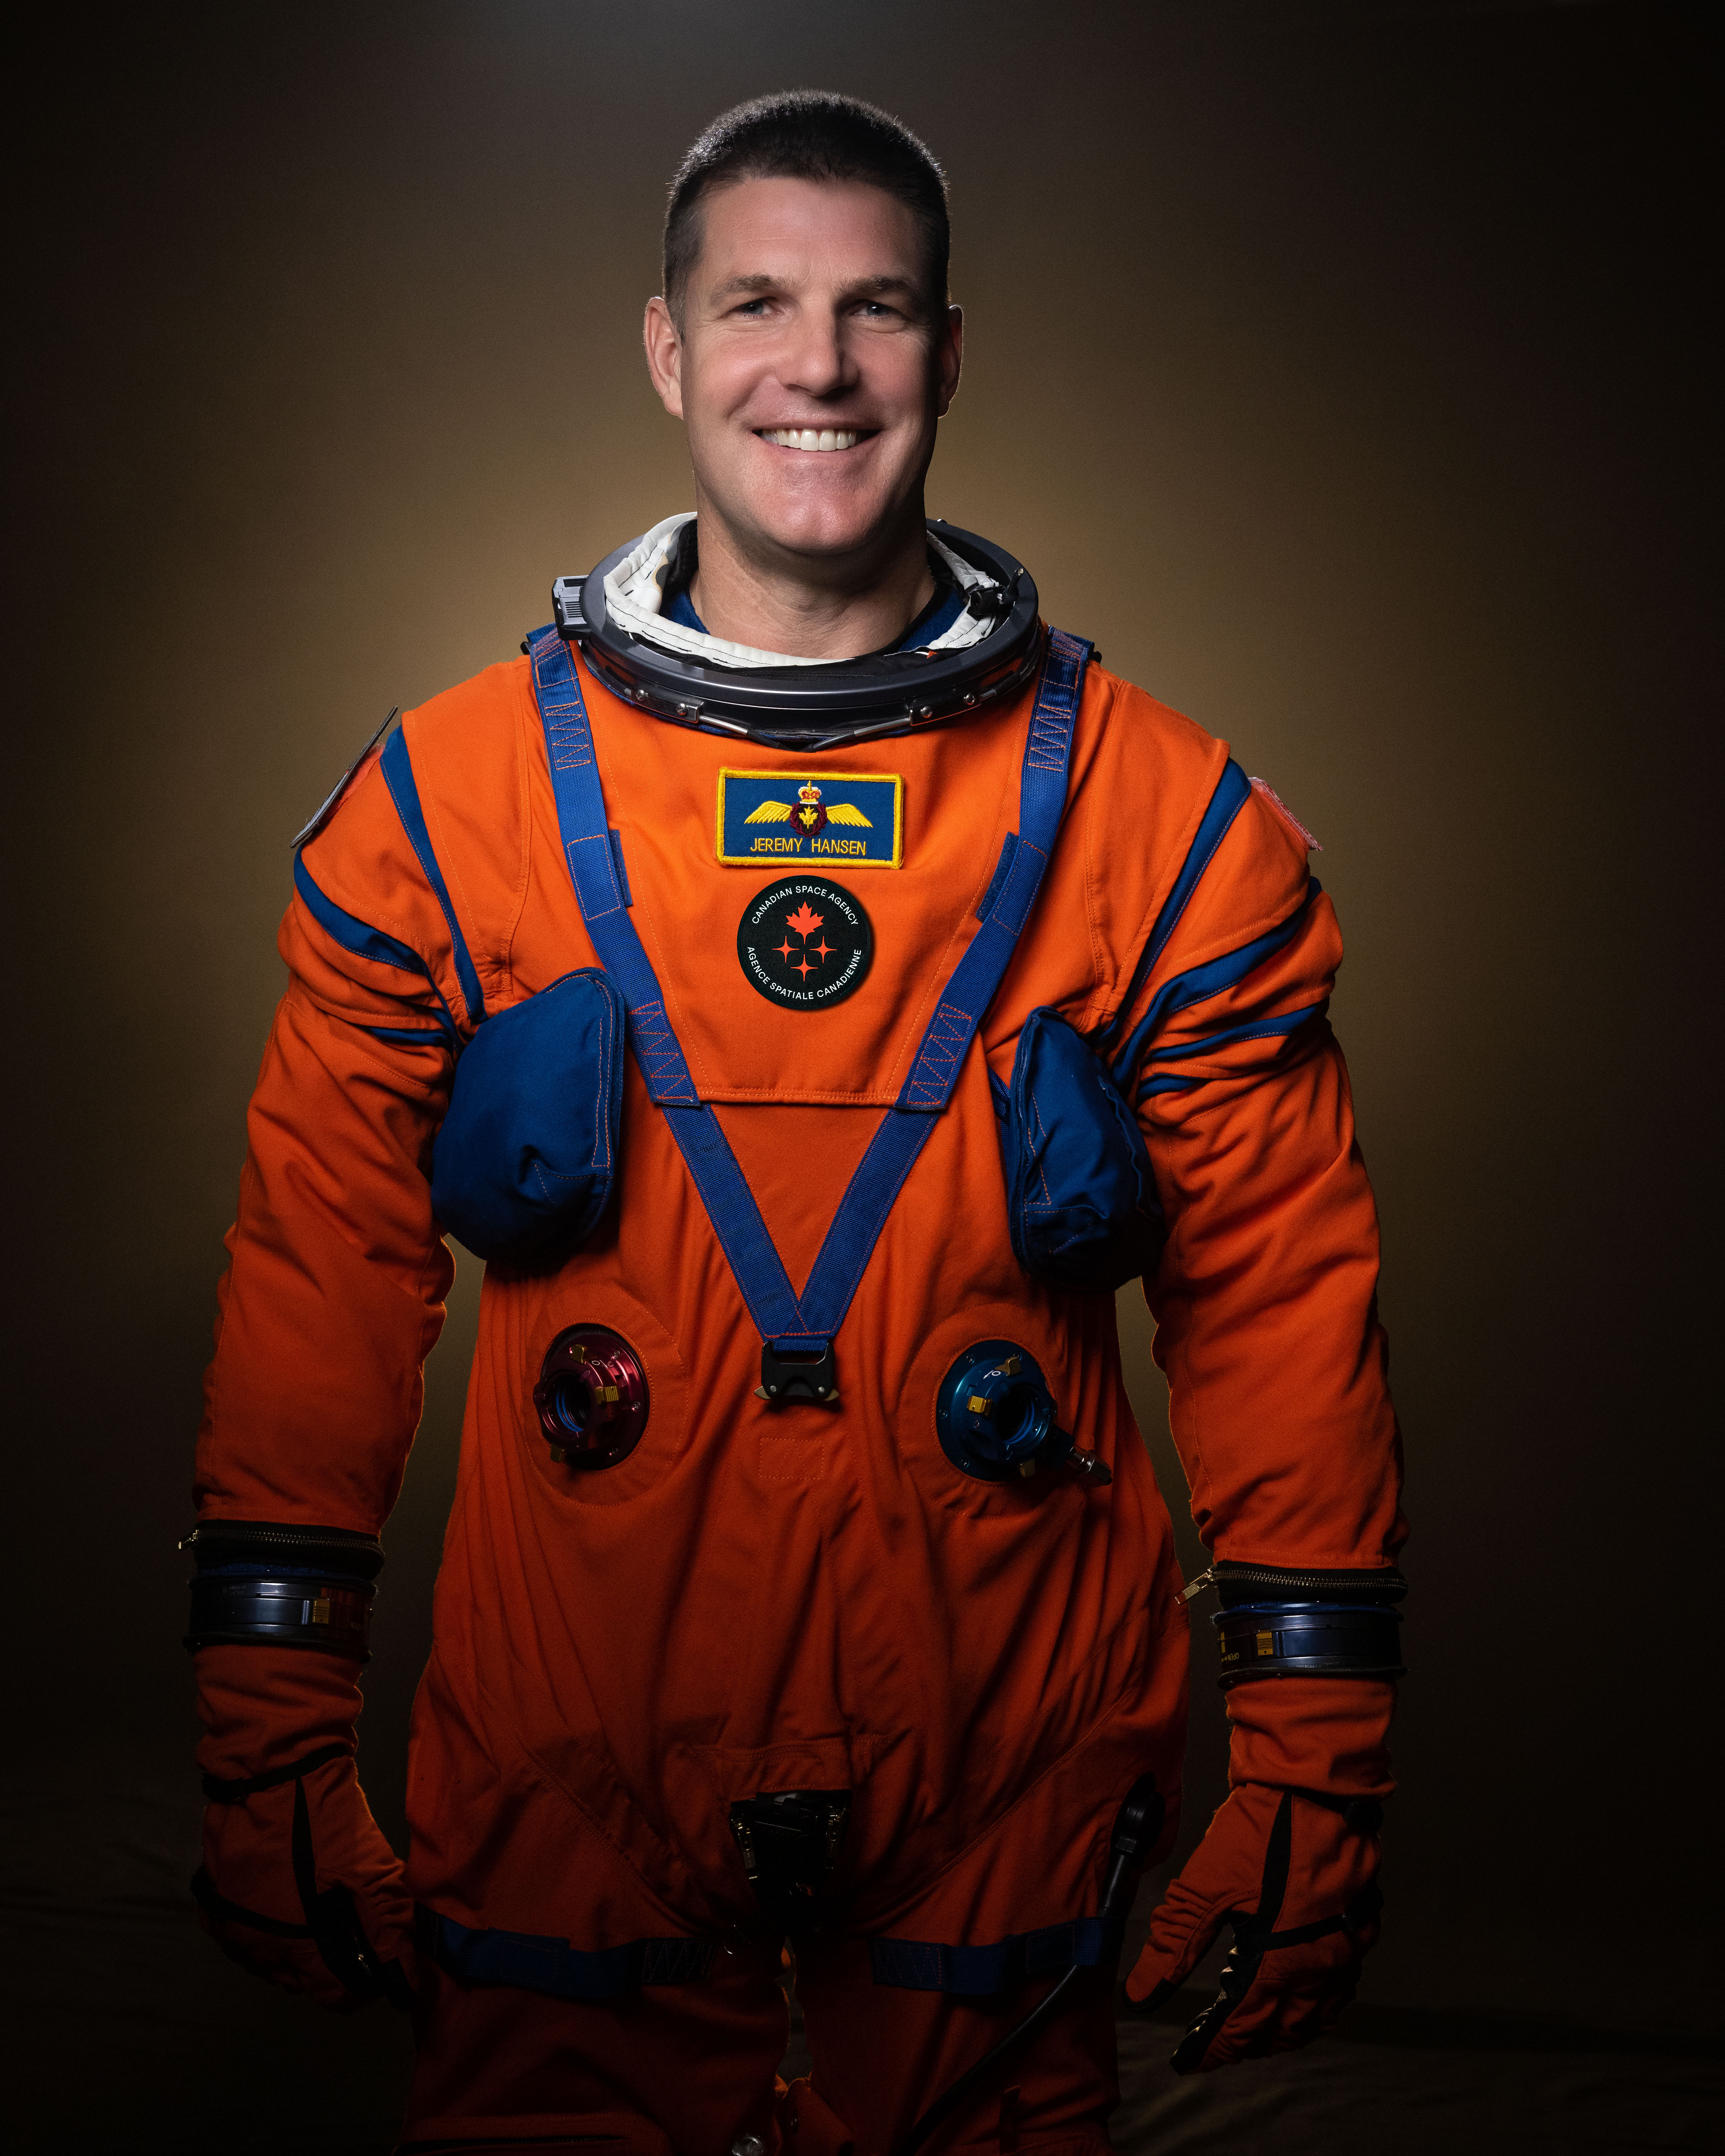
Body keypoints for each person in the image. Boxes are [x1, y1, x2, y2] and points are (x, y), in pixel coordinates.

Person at [185, 90, 1406, 2156]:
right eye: (757, 302)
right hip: (571, 1752)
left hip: (1004, 1761)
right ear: (670, 350)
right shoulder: (451, 807)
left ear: (946, 351)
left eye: (878, 310)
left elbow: (1283, 1302)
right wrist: (266, 1725)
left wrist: (1317, 1749)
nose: (818, 365)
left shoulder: (1159, 822)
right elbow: (323, 1275)